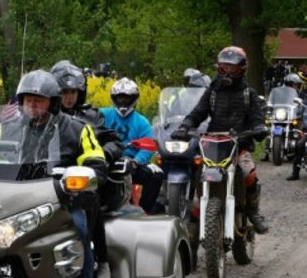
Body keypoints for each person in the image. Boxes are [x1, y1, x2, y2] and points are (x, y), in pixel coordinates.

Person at [0, 69, 110, 278]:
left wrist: (75, 179)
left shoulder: (77, 129)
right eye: (28, 100)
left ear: (52, 103)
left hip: (63, 202)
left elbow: (97, 163)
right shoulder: (8, 129)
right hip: (15, 202)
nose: (32, 106)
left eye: (39, 101)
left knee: (78, 231)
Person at [172, 46, 270, 233]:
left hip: (239, 145)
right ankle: (194, 213)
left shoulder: (249, 94)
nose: (227, 71)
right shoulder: (212, 91)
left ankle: (252, 211)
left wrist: (259, 128)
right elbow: (198, 112)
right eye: (224, 67)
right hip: (213, 145)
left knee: (248, 173)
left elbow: (257, 117)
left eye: (232, 68)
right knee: (196, 170)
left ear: (241, 68)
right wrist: (185, 126)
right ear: (218, 68)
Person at [50, 61, 121, 278]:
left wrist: (102, 157)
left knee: (91, 201)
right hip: (49, 178)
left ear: (80, 92)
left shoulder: (91, 116)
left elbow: (113, 140)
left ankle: (102, 262)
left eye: (73, 92)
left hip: (81, 178)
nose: (69, 97)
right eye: (64, 92)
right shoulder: (43, 115)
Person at [101, 77, 164, 215]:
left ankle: (145, 211)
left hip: (131, 164)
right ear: (113, 98)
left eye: (127, 98)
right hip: (105, 161)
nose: (123, 102)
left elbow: (148, 145)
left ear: (134, 99)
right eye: (119, 98)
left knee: (156, 175)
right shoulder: (103, 115)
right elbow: (89, 125)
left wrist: (137, 161)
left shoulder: (142, 122)